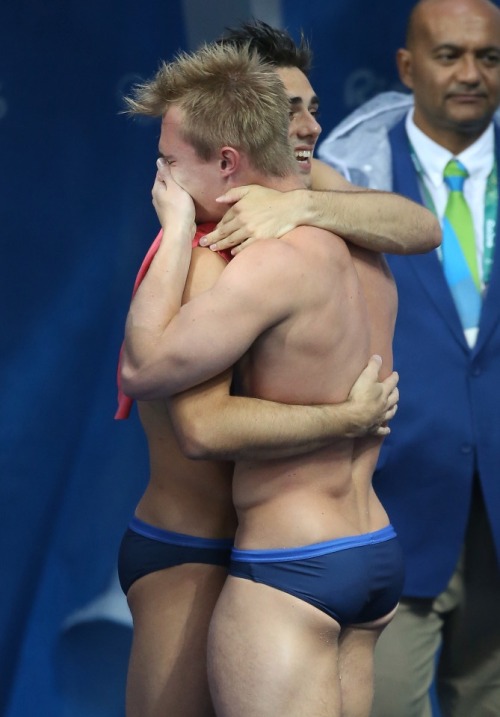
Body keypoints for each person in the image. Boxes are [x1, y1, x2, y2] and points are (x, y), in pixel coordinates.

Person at [120, 42, 404, 717]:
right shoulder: (361, 242)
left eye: (167, 161)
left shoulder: (223, 255)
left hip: (280, 561)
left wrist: (182, 218)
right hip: (367, 548)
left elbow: (183, 408)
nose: (159, 177)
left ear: (225, 157)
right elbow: (415, 227)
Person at [316, 1, 500, 716]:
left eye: (488, 57)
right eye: (449, 54)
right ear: (406, 66)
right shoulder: (348, 178)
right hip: (391, 502)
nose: (470, 74)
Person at [197, 20, 441, 256]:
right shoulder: (191, 193)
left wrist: (299, 206)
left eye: (312, 112)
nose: (313, 128)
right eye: (288, 113)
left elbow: (425, 228)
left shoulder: (309, 176)